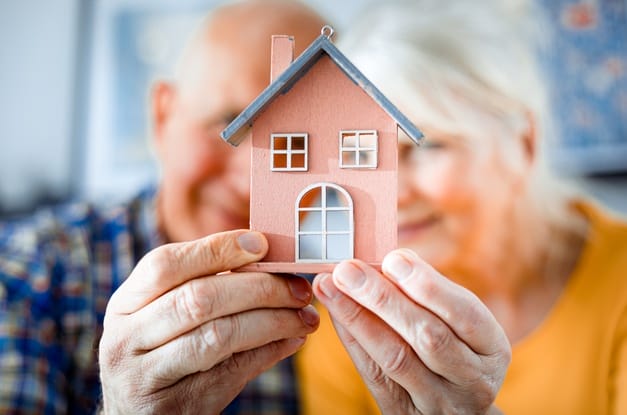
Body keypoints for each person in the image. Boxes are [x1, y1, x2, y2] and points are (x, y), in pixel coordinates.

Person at [295, 0, 627, 414]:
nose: (391, 194)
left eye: (428, 146)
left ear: (523, 145)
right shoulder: (346, 322)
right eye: (363, 154)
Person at [0, 1, 327, 413]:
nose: (250, 184)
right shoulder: (29, 273)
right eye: (230, 123)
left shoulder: (334, 295)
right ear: (162, 114)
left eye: (300, 148)